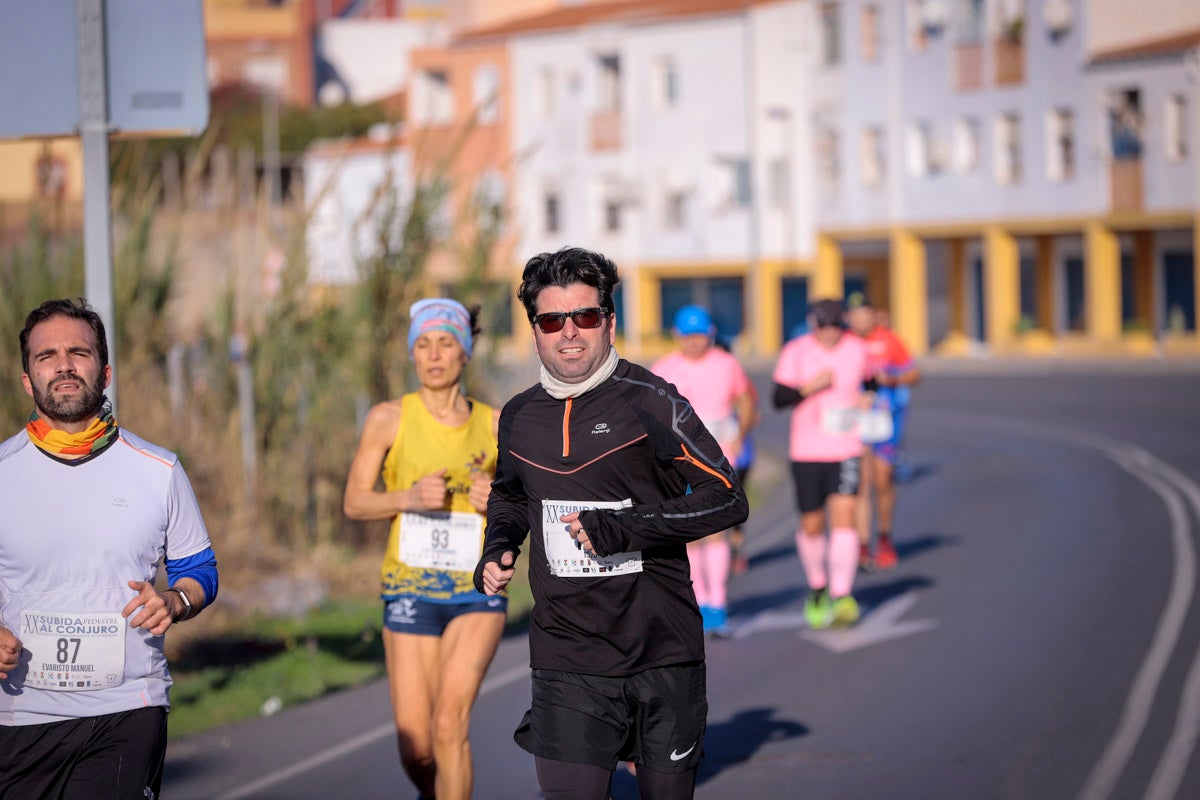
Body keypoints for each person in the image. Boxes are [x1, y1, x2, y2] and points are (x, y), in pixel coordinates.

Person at [474, 247, 748, 800]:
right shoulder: (519, 416)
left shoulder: (652, 400)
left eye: (585, 316)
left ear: (609, 322)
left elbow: (726, 497)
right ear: (535, 331)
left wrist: (625, 526)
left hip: (660, 648)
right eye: (552, 321)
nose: (569, 333)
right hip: (567, 653)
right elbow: (509, 497)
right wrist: (498, 545)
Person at [0, 298, 218, 798]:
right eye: (47, 356)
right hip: (19, 715)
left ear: (105, 372)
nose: (64, 365)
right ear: (27, 380)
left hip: (127, 708)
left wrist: (175, 600)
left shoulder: (158, 470)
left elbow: (200, 568)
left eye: (79, 352)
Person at [343, 298, 504, 800]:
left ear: (465, 352)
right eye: (424, 345)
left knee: (449, 725)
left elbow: (530, 505)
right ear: (412, 354)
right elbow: (354, 502)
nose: (434, 355)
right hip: (410, 587)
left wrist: (500, 500)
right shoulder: (388, 418)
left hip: (478, 589)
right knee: (417, 747)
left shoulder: (497, 425)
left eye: (446, 343)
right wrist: (408, 498)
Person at [651, 305, 757, 635]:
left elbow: (746, 400)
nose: (694, 342)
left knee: (716, 529)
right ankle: (699, 602)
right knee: (691, 533)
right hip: (680, 462)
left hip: (720, 459)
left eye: (700, 335)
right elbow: (649, 413)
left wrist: (740, 435)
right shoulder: (664, 368)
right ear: (676, 336)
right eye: (688, 336)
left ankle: (718, 602)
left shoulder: (726, 364)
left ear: (710, 334)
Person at [772, 298, 873, 629]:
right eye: (824, 327)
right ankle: (818, 587)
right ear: (813, 324)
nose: (830, 333)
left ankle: (842, 594)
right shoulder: (796, 351)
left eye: (835, 326)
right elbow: (778, 399)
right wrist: (809, 388)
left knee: (845, 517)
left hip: (846, 448)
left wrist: (868, 397)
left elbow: (871, 381)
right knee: (812, 524)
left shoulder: (856, 349)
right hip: (806, 451)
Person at [847, 294, 920, 571]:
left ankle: (885, 537)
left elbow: (914, 374)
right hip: (857, 420)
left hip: (886, 420)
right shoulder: (845, 343)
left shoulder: (889, 340)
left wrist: (891, 378)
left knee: (883, 479)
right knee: (861, 483)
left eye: (865, 314)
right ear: (849, 318)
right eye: (856, 315)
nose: (861, 320)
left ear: (874, 315)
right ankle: (863, 545)